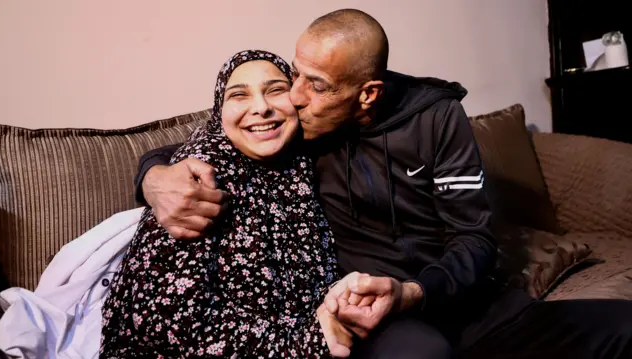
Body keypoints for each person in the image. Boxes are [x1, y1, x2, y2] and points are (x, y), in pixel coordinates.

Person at [134, 9, 632, 359]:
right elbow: (221, 134)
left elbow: (473, 237)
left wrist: (413, 290)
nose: (295, 98)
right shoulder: (291, 124)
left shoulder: (437, 118)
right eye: (295, 75)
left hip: (453, 296)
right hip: (378, 318)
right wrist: (153, 177)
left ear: (367, 93)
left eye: (316, 85)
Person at [101, 50, 356, 358]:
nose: (261, 108)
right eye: (239, 95)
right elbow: (165, 323)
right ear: (219, 112)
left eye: (276, 90)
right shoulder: (198, 175)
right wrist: (310, 344)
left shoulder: (301, 158)